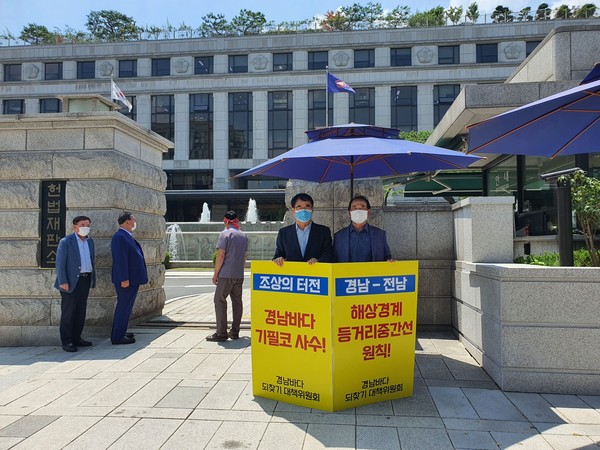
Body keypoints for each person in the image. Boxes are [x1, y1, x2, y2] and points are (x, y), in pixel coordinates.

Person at [54, 216, 96, 352]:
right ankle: (67, 341)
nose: (86, 228)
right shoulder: (66, 242)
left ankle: (77, 337)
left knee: (80, 311)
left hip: (85, 279)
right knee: (68, 312)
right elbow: (60, 264)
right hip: (70, 282)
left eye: (88, 225)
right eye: (83, 225)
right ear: (75, 226)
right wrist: (63, 281)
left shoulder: (90, 242)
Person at [206, 211, 249, 342]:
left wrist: (215, 273)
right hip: (238, 274)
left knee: (219, 300)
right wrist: (240, 271)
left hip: (226, 274)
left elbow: (221, 255)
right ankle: (235, 332)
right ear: (236, 221)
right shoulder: (244, 235)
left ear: (225, 221)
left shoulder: (225, 234)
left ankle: (221, 333)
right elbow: (244, 257)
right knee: (237, 302)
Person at [110, 211, 148, 345]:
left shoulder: (126, 236)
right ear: (127, 222)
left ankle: (121, 331)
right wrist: (124, 278)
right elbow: (120, 260)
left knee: (126, 307)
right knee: (124, 307)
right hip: (126, 280)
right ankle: (117, 336)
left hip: (132, 279)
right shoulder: (120, 237)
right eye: (133, 220)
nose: (135, 222)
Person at [273, 193, 333, 266]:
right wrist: (279, 259)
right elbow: (278, 255)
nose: (304, 210)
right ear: (293, 210)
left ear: (312, 209)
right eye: (299, 207)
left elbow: (329, 255)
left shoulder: (323, 231)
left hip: (316, 274)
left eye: (307, 206)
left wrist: (318, 261)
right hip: (292, 275)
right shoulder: (284, 233)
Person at [334, 195, 394, 263]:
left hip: (372, 273)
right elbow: (334, 259)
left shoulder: (379, 234)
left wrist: (390, 261)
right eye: (354, 207)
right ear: (350, 212)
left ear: (368, 212)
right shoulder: (339, 236)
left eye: (362, 207)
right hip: (347, 273)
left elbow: (387, 257)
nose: (358, 210)